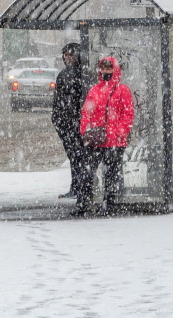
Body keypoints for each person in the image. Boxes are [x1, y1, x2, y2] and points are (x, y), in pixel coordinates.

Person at [76, 56, 135, 215]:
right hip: (96, 139)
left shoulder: (123, 90)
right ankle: (84, 204)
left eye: (109, 69)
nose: (106, 71)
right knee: (86, 173)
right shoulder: (94, 90)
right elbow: (86, 113)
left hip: (114, 141)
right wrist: (85, 131)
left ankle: (109, 205)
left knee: (111, 175)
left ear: (114, 70)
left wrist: (118, 132)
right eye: (104, 68)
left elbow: (128, 114)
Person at [51, 43, 87, 199]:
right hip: (65, 123)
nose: (68, 58)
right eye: (66, 55)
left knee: (79, 156)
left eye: (71, 55)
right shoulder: (62, 75)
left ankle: (81, 187)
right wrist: (57, 119)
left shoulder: (82, 74)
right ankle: (76, 186)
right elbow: (57, 99)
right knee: (73, 156)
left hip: (77, 123)